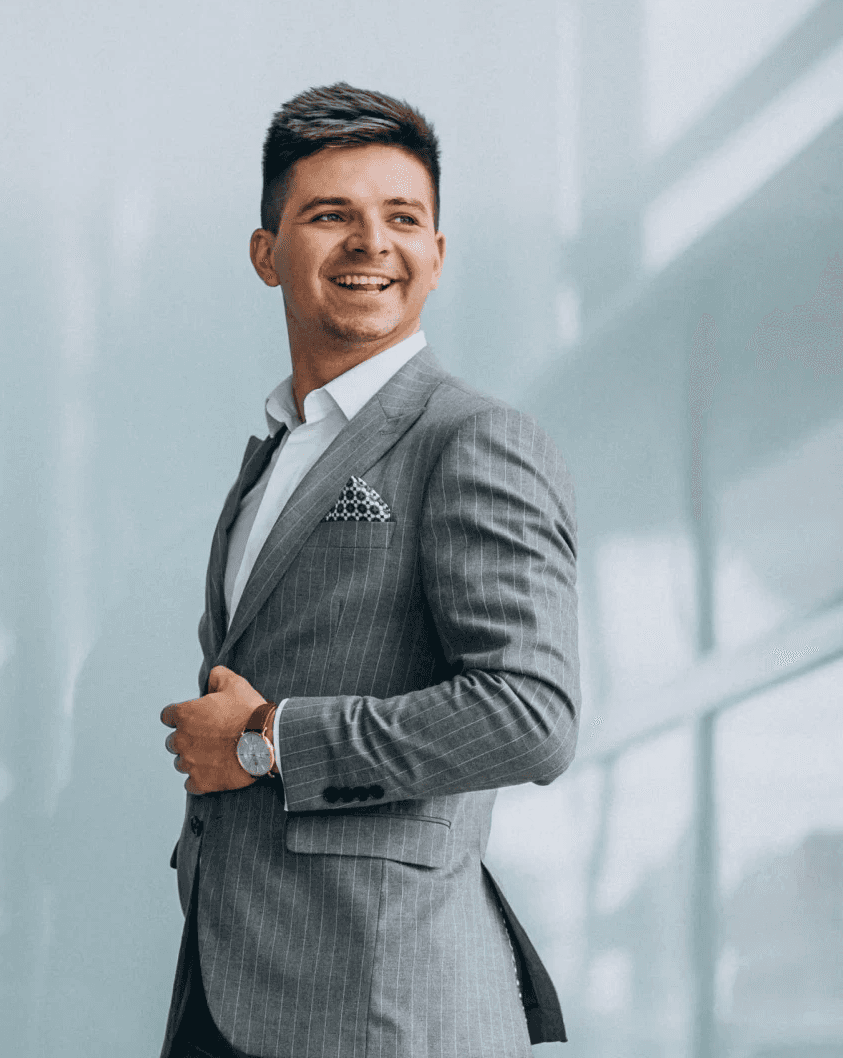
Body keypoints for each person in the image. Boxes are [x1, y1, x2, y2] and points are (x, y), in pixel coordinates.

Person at [159, 82, 581, 1058]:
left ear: (437, 253)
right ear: (266, 253)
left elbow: (532, 714)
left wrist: (268, 740)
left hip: (381, 1003)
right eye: (328, 215)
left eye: (402, 217)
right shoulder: (271, 453)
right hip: (236, 979)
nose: (370, 242)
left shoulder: (473, 441)